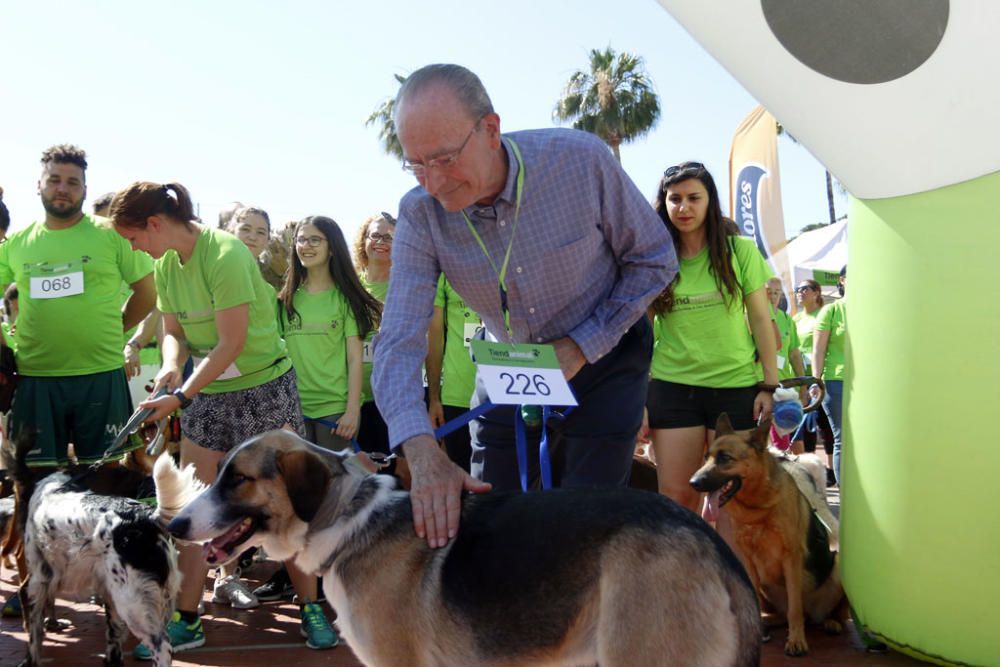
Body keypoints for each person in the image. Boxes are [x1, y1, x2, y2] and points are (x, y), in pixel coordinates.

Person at [371, 63, 675, 548]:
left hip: (606, 356)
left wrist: (580, 346)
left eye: (445, 159)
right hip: (510, 364)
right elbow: (399, 341)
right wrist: (423, 454)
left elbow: (655, 260)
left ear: (491, 130)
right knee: (490, 518)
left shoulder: (581, 163)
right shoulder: (418, 213)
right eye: (416, 164)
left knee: (585, 527)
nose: (432, 183)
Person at [109, 181, 337, 656]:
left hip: (265, 390)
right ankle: (187, 619)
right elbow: (172, 332)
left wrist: (181, 397)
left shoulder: (226, 254)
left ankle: (311, 607)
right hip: (207, 394)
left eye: (133, 237)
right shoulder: (165, 264)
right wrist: (172, 368)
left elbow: (231, 342)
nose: (133, 247)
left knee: (285, 504)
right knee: (192, 505)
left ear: (153, 224)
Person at [0, 145, 155, 467]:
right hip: (36, 378)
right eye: (54, 180)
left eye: (73, 182)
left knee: (106, 477)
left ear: (85, 189)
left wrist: (117, 328)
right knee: (37, 484)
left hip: (101, 374)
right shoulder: (17, 244)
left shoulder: (111, 235)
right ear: (38, 185)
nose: (62, 189)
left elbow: (148, 291)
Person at [645, 162, 778, 512]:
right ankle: (682, 569)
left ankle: (730, 569)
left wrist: (769, 385)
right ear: (664, 203)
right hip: (672, 388)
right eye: (674, 199)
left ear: (709, 201)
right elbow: (641, 331)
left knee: (732, 503)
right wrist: (639, 395)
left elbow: (762, 320)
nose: (683, 208)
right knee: (677, 498)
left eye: (693, 198)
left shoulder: (741, 251)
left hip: (736, 387)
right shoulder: (653, 258)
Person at [426, 274, 483, 471]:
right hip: (457, 397)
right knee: (464, 486)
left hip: (507, 394)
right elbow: (434, 338)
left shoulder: (513, 260)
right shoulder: (446, 269)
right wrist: (434, 399)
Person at [353, 212, 395, 459]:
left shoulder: (406, 285)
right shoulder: (349, 285)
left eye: (389, 237)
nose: (381, 241)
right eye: (375, 235)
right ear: (363, 241)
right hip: (352, 399)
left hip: (389, 399)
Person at [813, 266, 848, 484]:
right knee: (842, 440)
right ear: (843, 280)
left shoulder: (875, 308)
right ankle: (847, 499)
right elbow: (818, 350)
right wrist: (816, 381)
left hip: (870, 384)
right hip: (836, 382)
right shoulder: (832, 311)